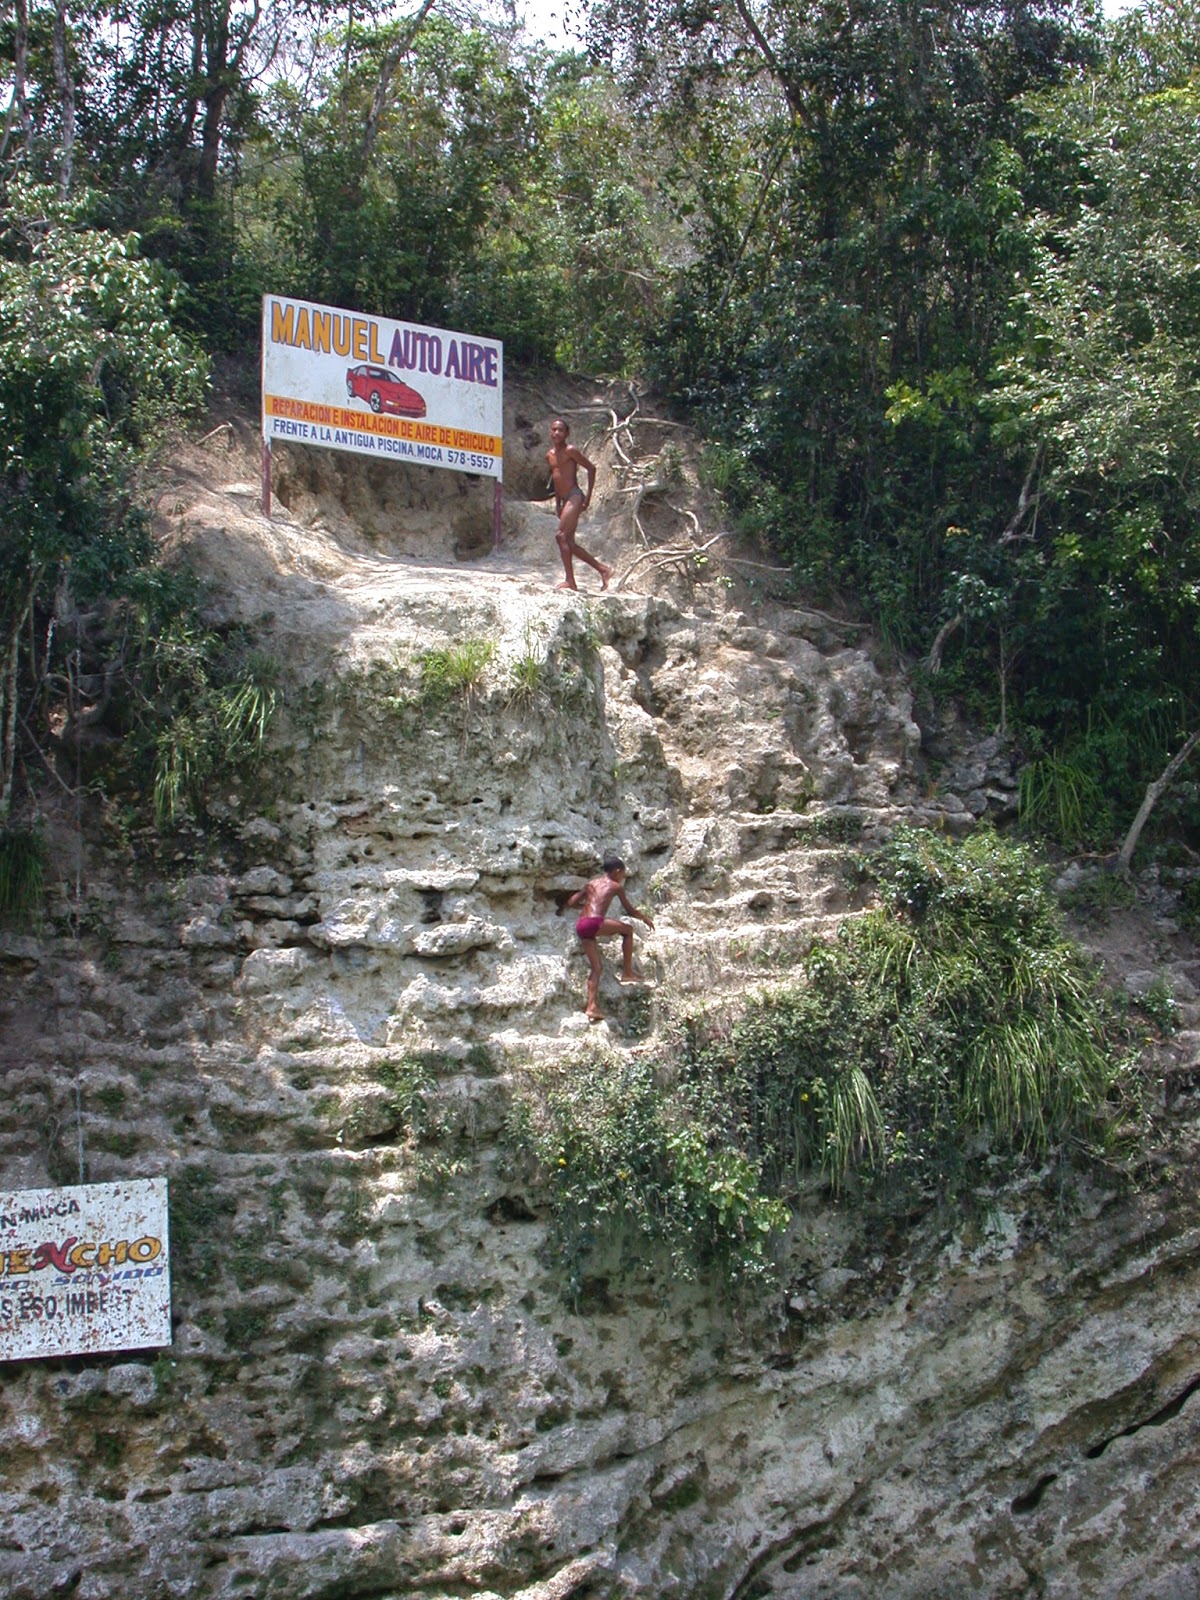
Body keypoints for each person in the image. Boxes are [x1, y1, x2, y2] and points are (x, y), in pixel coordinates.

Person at [566, 855, 655, 1022]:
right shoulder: (615, 886)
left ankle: (591, 1006)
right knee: (628, 930)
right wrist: (644, 918)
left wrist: (585, 906)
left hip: (581, 925)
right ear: (617, 871)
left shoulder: (591, 884)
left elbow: (571, 902)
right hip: (594, 923)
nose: (621, 878)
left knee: (597, 968)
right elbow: (629, 909)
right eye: (622, 874)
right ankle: (627, 972)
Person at [546, 418, 613, 592]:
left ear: (567, 433)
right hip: (564, 499)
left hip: (575, 496)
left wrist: (588, 497)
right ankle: (604, 570)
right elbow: (556, 479)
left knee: (560, 536)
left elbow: (591, 468)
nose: (557, 433)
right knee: (569, 543)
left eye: (561, 430)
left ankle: (570, 581)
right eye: (554, 429)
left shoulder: (570, 450)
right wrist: (558, 503)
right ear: (550, 432)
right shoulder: (549, 455)